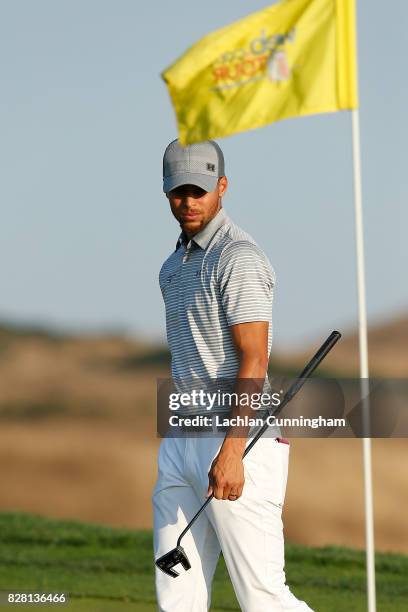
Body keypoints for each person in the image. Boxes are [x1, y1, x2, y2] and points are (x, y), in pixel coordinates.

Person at [153, 138, 313, 612]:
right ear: (165, 193)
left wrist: (232, 449)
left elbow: (254, 360)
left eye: (198, 190)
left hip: (236, 439)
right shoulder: (171, 266)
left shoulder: (237, 257)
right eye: (179, 191)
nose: (188, 201)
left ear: (221, 187)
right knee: (175, 588)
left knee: (262, 597)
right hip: (181, 435)